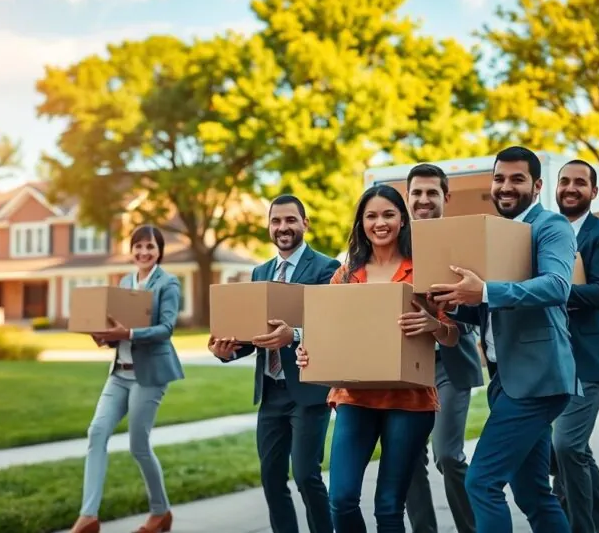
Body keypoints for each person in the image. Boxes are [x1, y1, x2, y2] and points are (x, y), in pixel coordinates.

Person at [296, 184, 460, 533]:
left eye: (388, 214)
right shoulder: (346, 275)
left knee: (388, 507)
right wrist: (308, 349)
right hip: (355, 396)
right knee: (340, 498)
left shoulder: (423, 270)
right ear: (361, 223)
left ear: (402, 219)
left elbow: (452, 335)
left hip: (410, 401)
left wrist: (433, 324)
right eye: (371, 215)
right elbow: (325, 330)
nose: (379, 222)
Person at [430, 145, 577, 533]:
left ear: (537, 185)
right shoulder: (495, 233)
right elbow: (483, 307)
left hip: (538, 379)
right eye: (499, 179)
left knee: (482, 482)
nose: (506, 187)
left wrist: (484, 291)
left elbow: (557, 286)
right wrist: (449, 300)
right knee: (532, 493)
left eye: (517, 179)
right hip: (508, 380)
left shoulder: (552, 227)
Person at [208, 195, 340, 533]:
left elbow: (333, 328)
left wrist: (294, 335)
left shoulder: (327, 269)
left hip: (308, 391)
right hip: (270, 393)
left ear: (305, 223)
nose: (283, 227)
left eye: (290, 220)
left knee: (307, 476)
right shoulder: (260, 271)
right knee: (271, 478)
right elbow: (253, 336)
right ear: (269, 226)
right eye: (276, 221)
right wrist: (228, 351)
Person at [70, 225, 186, 533]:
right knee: (96, 432)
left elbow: (166, 329)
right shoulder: (124, 282)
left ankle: (160, 513)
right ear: (131, 250)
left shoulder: (168, 283)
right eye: (138, 247)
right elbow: (116, 328)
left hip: (148, 376)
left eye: (150, 247)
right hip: (119, 373)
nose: (144, 252)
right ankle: (88, 516)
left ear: (159, 250)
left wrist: (129, 333)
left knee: (138, 445)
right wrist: (105, 337)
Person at [402, 164, 483, 533]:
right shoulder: (396, 243)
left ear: (445, 197)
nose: (423, 200)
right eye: (416, 193)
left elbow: (477, 306)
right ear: (408, 196)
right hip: (404, 366)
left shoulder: (462, 242)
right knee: (407, 459)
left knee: (448, 456)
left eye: (431, 193)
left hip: (449, 362)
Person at [550, 159, 599, 533]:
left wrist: (550, 291)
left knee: (566, 446)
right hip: (547, 358)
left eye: (580, 182)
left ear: (593, 192)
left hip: (587, 359)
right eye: (564, 181)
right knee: (570, 450)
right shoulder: (542, 231)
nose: (570, 188)